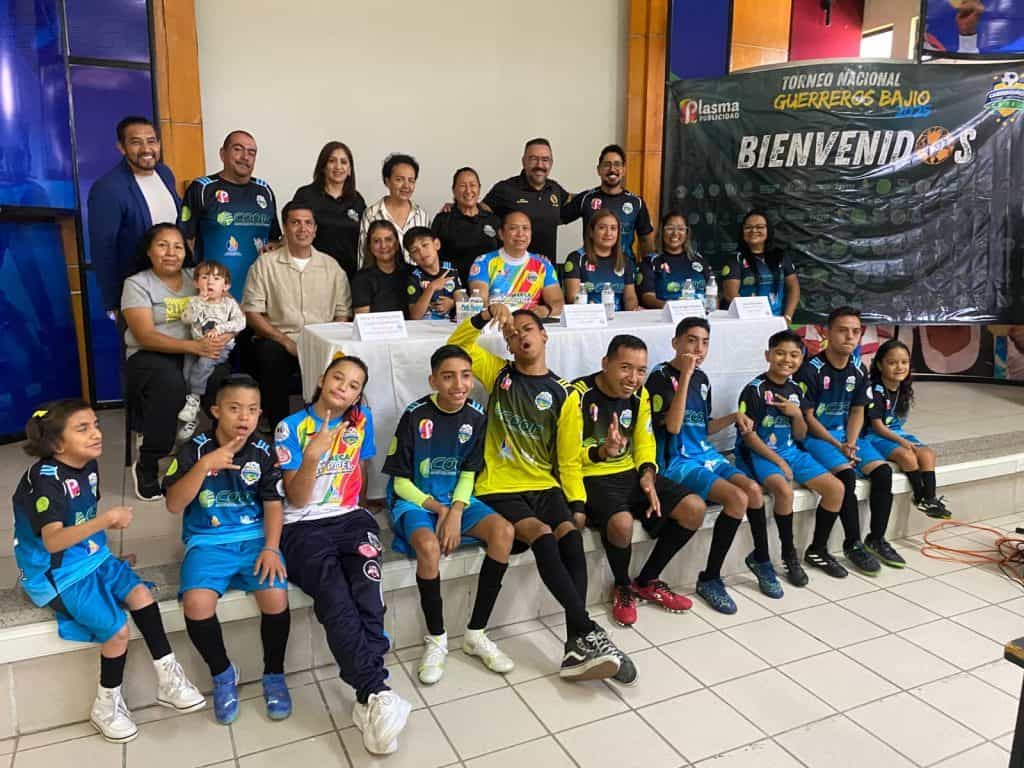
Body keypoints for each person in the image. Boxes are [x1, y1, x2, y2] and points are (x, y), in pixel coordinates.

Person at [448, 304, 630, 683]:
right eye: (511, 334)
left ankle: (574, 643)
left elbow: (567, 459)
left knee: (570, 535)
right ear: (509, 346)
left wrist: (577, 501)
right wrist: (485, 316)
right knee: (543, 536)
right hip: (500, 485)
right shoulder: (498, 374)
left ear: (544, 336)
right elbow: (456, 345)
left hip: (545, 485)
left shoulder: (564, 393)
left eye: (527, 329)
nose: (520, 336)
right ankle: (587, 630)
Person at [12, 401, 204, 744]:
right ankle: (105, 705)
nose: (97, 433)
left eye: (96, 424)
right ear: (56, 444)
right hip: (56, 574)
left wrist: (103, 552)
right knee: (116, 630)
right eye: (83, 428)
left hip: (90, 557)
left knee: (143, 595)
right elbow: (54, 541)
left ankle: (167, 678)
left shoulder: (88, 464)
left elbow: (83, 515)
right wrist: (107, 521)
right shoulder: (44, 482)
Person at [275, 355, 412, 756]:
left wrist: (364, 508)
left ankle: (369, 698)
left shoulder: (360, 420)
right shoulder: (290, 428)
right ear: (321, 380)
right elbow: (296, 498)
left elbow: (362, 468)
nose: (344, 388)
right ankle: (376, 691)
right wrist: (314, 453)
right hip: (301, 526)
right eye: (338, 378)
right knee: (335, 599)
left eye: (354, 385)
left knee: (368, 594)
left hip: (350, 519)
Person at [382, 345, 516, 684]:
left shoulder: (476, 416)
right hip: (418, 501)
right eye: (448, 376)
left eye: (466, 375)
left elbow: (469, 473)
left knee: (503, 532)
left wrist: (455, 510)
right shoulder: (414, 416)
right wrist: (440, 510)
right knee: (428, 547)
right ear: (433, 381)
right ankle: (437, 638)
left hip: (457, 499)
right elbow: (400, 483)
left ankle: (476, 633)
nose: (459, 384)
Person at [163, 374, 291, 725]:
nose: (244, 417)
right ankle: (222, 675)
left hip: (254, 540)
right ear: (216, 411)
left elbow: (273, 505)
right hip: (207, 541)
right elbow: (174, 505)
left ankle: (274, 675)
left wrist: (270, 547)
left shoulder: (264, 452)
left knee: (276, 598)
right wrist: (205, 466)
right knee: (197, 604)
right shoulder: (194, 449)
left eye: (252, 409)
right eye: (235, 408)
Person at [571, 335, 707, 632]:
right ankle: (622, 586)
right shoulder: (577, 394)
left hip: (631, 472)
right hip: (592, 474)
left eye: (641, 370)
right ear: (605, 363)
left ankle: (646, 581)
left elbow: (645, 440)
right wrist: (601, 451)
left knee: (694, 508)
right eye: (625, 368)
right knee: (621, 524)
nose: (633, 378)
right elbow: (565, 455)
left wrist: (647, 472)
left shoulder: (639, 394)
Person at [645, 318, 773, 611]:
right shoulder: (661, 376)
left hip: (704, 454)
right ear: (676, 343)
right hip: (676, 461)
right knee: (736, 498)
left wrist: (733, 418)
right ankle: (711, 578)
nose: (698, 348)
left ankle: (761, 559)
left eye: (704, 342)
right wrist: (686, 376)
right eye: (691, 340)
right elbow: (674, 427)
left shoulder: (702, 379)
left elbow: (703, 428)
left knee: (753, 490)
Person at [122, 224, 232, 501]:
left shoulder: (196, 277)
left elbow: (228, 308)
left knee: (226, 384)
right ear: (149, 251)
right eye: (162, 245)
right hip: (150, 355)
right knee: (169, 385)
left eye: (178, 246)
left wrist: (222, 337)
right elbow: (144, 335)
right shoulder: (137, 283)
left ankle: (222, 455)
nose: (171, 252)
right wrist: (193, 346)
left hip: (197, 352)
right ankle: (148, 464)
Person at [794, 306, 906, 576]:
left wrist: (852, 443)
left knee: (882, 473)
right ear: (828, 333)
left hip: (846, 436)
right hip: (816, 436)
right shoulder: (811, 370)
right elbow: (807, 418)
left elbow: (857, 411)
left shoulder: (858, 369)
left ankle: (876, 539)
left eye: (855, 332)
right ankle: (850, 544)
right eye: (842, 331)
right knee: (844, 478)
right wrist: (839, 447)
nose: (850, 337)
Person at [734, 330, 847, 587]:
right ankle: (789, 554)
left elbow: (801, 434)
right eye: (781, 353)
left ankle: (818, 549)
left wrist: (797, 415)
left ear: (802, 358)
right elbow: (749, 437)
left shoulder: (797, 389)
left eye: (794, 355)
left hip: (792, 451)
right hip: (759, 453)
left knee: (836, 489)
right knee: (784, 491)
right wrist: (779, 462)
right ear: (768, 355)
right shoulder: (755, 390)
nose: (787, 359)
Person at [242, 200, 352, 430]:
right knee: (269, 354)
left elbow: (343, 313)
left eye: (308, 223)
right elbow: (252, 312)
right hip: (280, 340)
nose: (302, 229)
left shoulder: (331, 267)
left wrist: (327, 341)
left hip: (323, 342)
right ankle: (280, 428)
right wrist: (284, 341)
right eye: (295, 223)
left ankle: (325, 427)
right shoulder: (265, 264)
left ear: (315, 229)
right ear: (285, 227)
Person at [88, 116, 181, 314]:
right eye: (136, 142)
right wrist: (113, 302)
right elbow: (103, 249)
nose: (146, 149)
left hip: (173, 285)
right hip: (136, 293)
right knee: (142, 344)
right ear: (121, 147)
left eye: (151, 141)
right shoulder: (108, 188)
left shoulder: (165, 173)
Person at [181, 130, 282, 302]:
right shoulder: (202, 188)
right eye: (238, 149)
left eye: (251, 152)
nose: (245, 157)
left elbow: (275, 240)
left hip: (259, 297)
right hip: (215, 298)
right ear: (222, 154)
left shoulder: (264, 190)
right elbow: (185, 239)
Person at [867, 339, 950, 519]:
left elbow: (896, 424)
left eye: (904, 362)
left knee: (927, 454)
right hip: (873, 435)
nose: (899, 367)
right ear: (880, 365)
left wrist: (902, 438)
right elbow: (877, 426)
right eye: (892, 362)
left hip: (895, 432)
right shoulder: (875, 390)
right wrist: (901, 441)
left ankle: (930, 498)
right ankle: (919, 496)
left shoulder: (902, 387)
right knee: (907, 456)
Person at [177, 261, 246, 440]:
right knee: (186, 372)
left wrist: (221, 329)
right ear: (196, 283)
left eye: (216, 278)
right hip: (196, 346)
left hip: (218, 348)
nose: (210, 282)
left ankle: (193, 398)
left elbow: (241, 322)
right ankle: (194, 413)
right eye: (204, 277)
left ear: (226, 285)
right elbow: (186, 319)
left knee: (203, 367)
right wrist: (199, 303)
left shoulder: (229, 304)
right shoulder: (194, 301)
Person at [561, 144, 654, 262]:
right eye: (607, 164)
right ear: (598, 170)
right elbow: (557, 218)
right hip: (591, 269)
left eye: (617, 164)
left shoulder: (636, 203)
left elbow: (646, 240)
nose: (612, 169)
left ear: (624, 170)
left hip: (626, 271)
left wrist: (647, 270)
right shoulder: (586, 199)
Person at [483, 138, 570, 261]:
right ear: (523, 161)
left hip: (545, 271)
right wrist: (458, 205)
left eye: (545, 160)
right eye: (533, 159)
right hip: (509, 272)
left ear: (551, 163)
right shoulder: (505, 188)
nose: (540, 165)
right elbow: (479, 213)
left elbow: (574, 200)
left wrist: (597, 194)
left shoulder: (554, 188)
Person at [292, 141, 366, 281]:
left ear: (350, 170)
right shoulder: (306, 195)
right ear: (323, 166)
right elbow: (293, 230)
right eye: (332, 161)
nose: (338, 166)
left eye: (344, 162)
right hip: (311, 276)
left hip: (349, 277)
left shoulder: (357, 200)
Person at [467, 212, 564, 317]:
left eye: (525, 228)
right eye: (513, 228)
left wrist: (545, 310)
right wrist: (495, 311)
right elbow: (479, 301)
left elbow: (557, 302)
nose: (520, 234)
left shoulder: (543, 265)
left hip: (530, 324)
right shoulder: (483, 262)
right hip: (496, 323)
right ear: (501, 234)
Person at [721, 210, 799, 320]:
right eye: (748, 227)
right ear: (742, 232)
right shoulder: (736, 259)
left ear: (768, 230)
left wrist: (788, 316)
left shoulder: (780, 256)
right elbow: (730, 295)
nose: (754, 230)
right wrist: (753, 318)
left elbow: (793, 287)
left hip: (776, 321)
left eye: (760, 227)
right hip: (746, 322)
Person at [431, 167, 501, 285]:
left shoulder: (493, 220)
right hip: (453, 289)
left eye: (473, 185)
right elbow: (433, 258)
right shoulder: (443, 220)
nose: (468, 191)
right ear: (454, 190)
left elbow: (503, 254)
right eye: (463, 185)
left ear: (479, 188)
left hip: (489, 288)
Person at [357, 153, 429, 265]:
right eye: (399, 180)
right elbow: (364, 256)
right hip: (381, 281)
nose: (406, 185)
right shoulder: (372, 214)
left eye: (411, 180)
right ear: (387, 181)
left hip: (416, 280)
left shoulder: (422, 215)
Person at [562, 209, 638, 310]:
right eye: (602, 228)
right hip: (588, 318)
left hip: (619, 320)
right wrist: (594, 310)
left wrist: (633, 310)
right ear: (591, 232)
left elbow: (630, 297)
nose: (608, 233)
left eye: (613, 228)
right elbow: (573, 298)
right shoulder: (576, 259)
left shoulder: (625, 260)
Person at [639, 211, 713, 309]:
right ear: (662, 231)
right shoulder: (650, 262)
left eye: (681, 229)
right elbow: (647, 297)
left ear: (687, 233)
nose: (675, 233)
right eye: (670, 228)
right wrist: (673, 308)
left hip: (700, 316)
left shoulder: (699, 259)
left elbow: (712, 292)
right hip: (666, 316)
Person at [351, 220, 410, 315]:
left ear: (397, 244)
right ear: (369, 246)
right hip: (376, 329)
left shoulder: (411, 273)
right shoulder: (361, 279)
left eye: (388, 239)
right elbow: (363, 321)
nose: (383, 246)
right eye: (376, 241)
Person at [404, 227, 463, 321]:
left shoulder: (450, 269)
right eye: (415, 250)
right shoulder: (413, 277)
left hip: (448, 328)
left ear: (437, 244)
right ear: (412, 258)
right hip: (423, 330)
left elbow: (461, 298)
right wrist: (431, 288)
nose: (421, 252)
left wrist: (453, 303)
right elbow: (415, 316)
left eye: (425, 245)